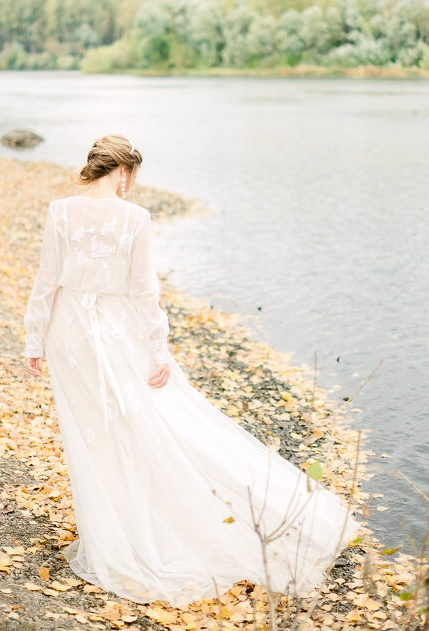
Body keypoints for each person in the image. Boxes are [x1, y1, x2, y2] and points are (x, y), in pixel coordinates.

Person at [23, 133, 360, 608]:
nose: (131, 185)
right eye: (132, 176)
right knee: (151, 421)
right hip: (118, 330)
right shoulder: (135, 219)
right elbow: (144, 291)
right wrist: (159, 349)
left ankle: (115, 533)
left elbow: (46, 279)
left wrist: (34, 337)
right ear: (123, 171)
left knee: (92, 433)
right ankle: (139, 527)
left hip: (69, 334)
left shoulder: (59, 210)